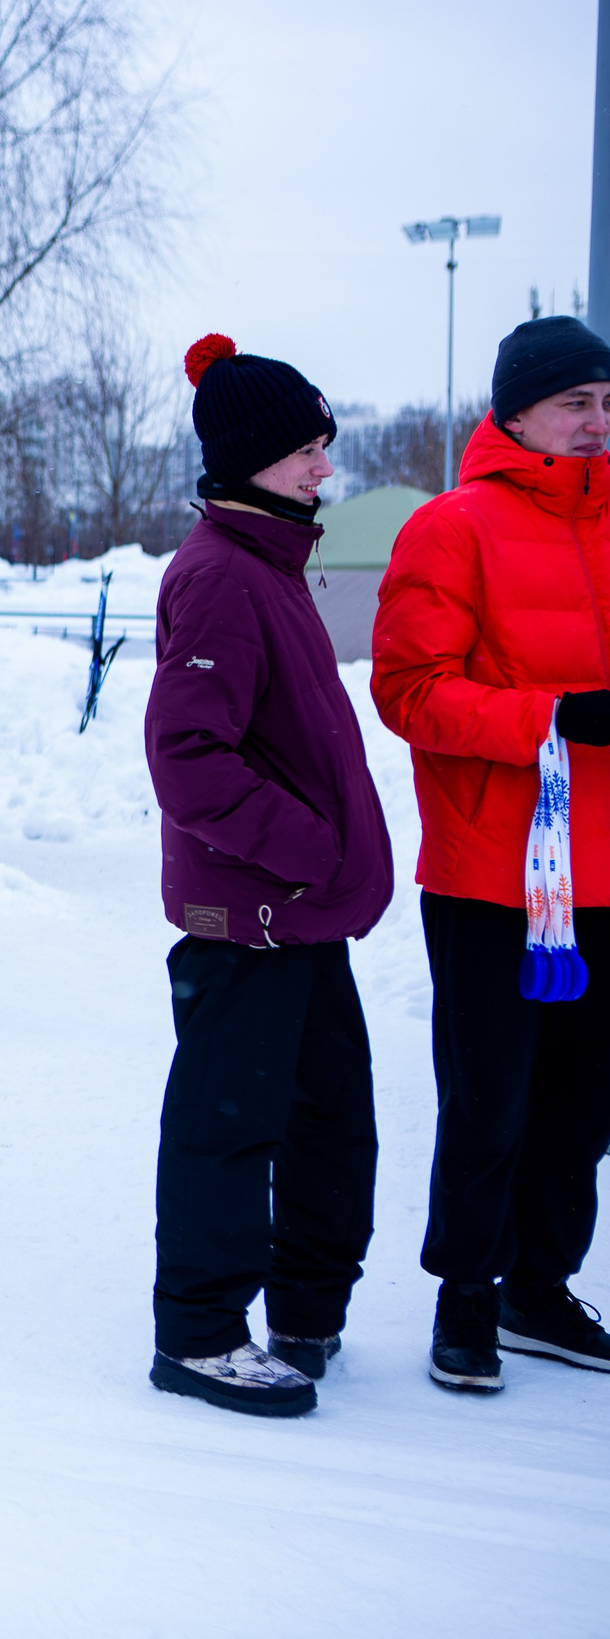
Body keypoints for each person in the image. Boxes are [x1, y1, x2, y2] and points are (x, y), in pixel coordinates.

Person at [141, 335, 394, 1419]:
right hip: (249, 912)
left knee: (331, 1120)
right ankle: (197, 1335)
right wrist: (307, 850)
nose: (320, 468)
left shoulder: (272, 562)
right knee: (229, 1124)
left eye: (323, 446)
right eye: (302, 450)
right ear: (245, 456)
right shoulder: (216, 576)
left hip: (300, 914)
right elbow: (188, 759)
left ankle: (304, 1306)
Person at [373, 314, 610, 1393]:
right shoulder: (449, 527)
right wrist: (549, 718)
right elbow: (408, 693)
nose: (598, 421)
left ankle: (538, 1286)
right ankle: (465, 1293)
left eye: (607, 402)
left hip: (605, 877)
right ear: (515, 413)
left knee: (583, 1102)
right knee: (490, 1098)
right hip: (491, 873)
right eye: (576, 402)